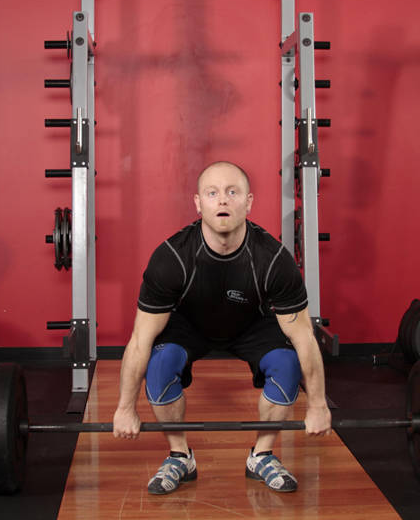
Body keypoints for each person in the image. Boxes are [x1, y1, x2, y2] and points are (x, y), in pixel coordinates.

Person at [112, 161, 331, 495]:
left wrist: (317, 405)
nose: (223, 200)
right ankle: (180, 456)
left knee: (287, 363)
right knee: (159, 363)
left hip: (251, 325)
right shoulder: (172, 258)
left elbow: (303, 337)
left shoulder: (273, 259)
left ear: (249, 202)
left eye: (232, 192)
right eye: (212, 193)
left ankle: (262, 456)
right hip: (190, 325)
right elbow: (141, 339)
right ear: (198, 203)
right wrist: (125, 408)